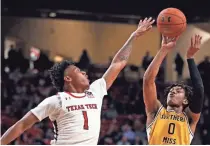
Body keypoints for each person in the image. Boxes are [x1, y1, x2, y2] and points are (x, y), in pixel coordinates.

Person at [0, 17, 155, 145]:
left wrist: (133, 36)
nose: (84, 73)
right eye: (78, 71)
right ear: (67, 79)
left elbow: (118, 63)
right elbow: (22, 124)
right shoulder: (56, 101)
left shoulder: (95, 91)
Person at [143, 35, 204, 145]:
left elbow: (199, 90)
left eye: (178, 91)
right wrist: (163, 51)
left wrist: (190, 57)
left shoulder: (189, 118)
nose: (173, 91)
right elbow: (148, 80)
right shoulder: (155, 111)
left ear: (185, 100)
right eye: (172, 90)